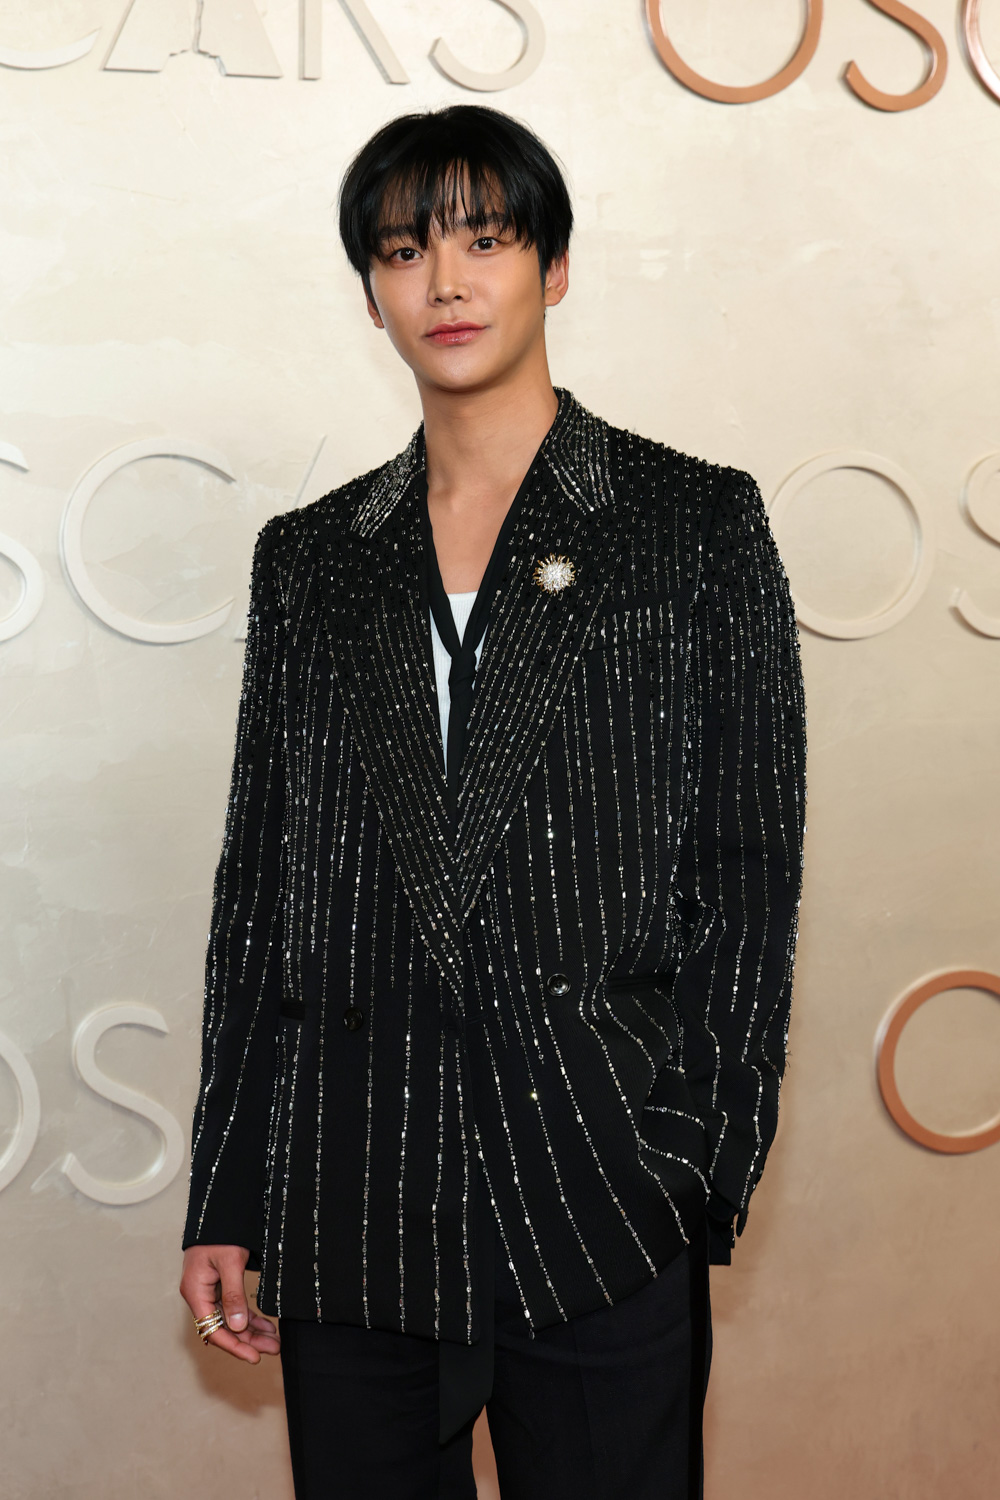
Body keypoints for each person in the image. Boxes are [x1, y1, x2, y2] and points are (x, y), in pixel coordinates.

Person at [179, 103, 807, 1500]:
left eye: (484, 236)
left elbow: (748, 872)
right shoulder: (315, 559)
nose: (445, 281)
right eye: (406, 251)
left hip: (597, 1191)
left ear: (554, 267)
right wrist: (229, 1189)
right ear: (370, 294)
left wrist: (691, 1160)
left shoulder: (686, 523)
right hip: (353, 1191)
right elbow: (257, 893)